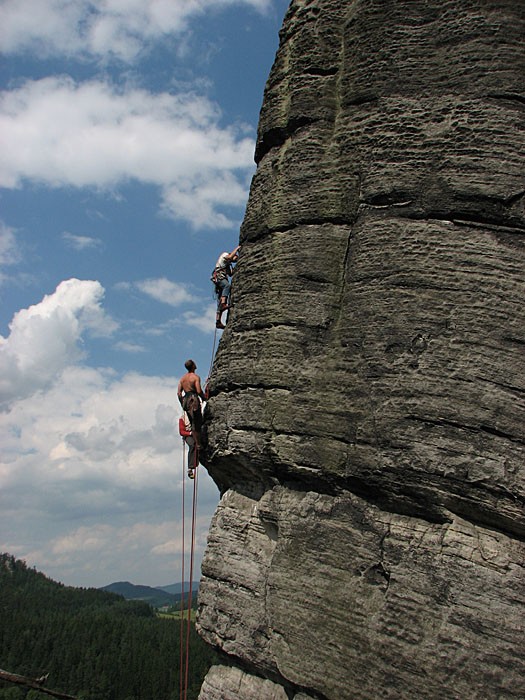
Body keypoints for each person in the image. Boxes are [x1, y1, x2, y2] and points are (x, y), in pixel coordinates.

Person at [177, 360, 206, 458]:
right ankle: (198, 444)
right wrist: (204, 398)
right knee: (197, 422)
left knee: (192, 421)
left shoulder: (182, 379)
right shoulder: (195, 377)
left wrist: (182, 403)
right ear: (193, 366)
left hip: (186, 400)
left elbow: (179, 393)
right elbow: (198, 390)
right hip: (193, 399)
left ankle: (197, 442)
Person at [212, 245, 240, 328]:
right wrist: (237, 248)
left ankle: (218, 321)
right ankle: (224, 304)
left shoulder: (228, 264)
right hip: (219, 277)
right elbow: (230, 257)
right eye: (236, 258)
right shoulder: (225, 255)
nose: (235, 260)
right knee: (227, 286)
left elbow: (231, 274)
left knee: (221, 299)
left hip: (220, 278)